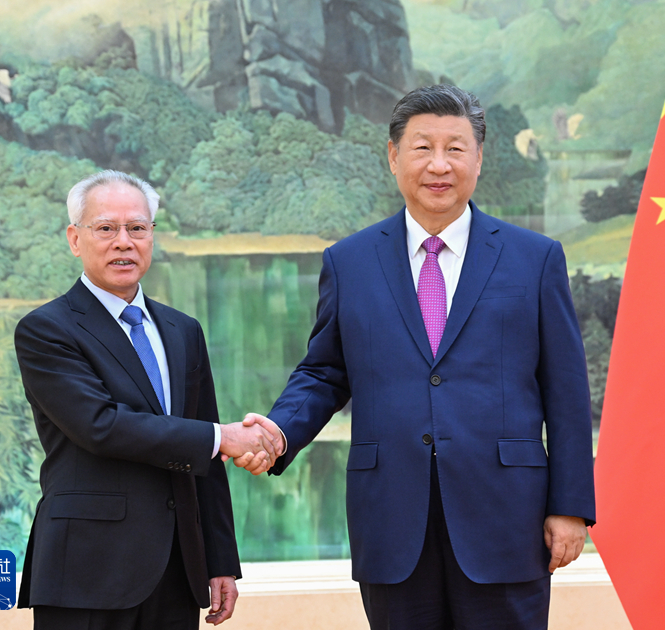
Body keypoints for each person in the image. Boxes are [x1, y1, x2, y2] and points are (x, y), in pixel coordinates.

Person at [237, 85, 596, 628]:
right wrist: (280, 432)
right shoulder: (350, 261)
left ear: (479, 157)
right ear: (392, 156)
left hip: (506, 518)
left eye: (455, 148)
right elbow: (324, 371)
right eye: (422, 147)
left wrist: (569, 506)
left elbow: (566, 392)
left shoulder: (534, 259)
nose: (439, 165)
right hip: (392, 520)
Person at [14, 170, 284, 630]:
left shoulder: (183, 331)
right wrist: (224, 437)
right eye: (106, 228)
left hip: (176, 572)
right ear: (75, 239)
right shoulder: (47, 330)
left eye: (137, 228)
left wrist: (220, 561)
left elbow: (205, 457)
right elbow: (100, 425)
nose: (124, 241)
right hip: (87, 571)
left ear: (152, 236)